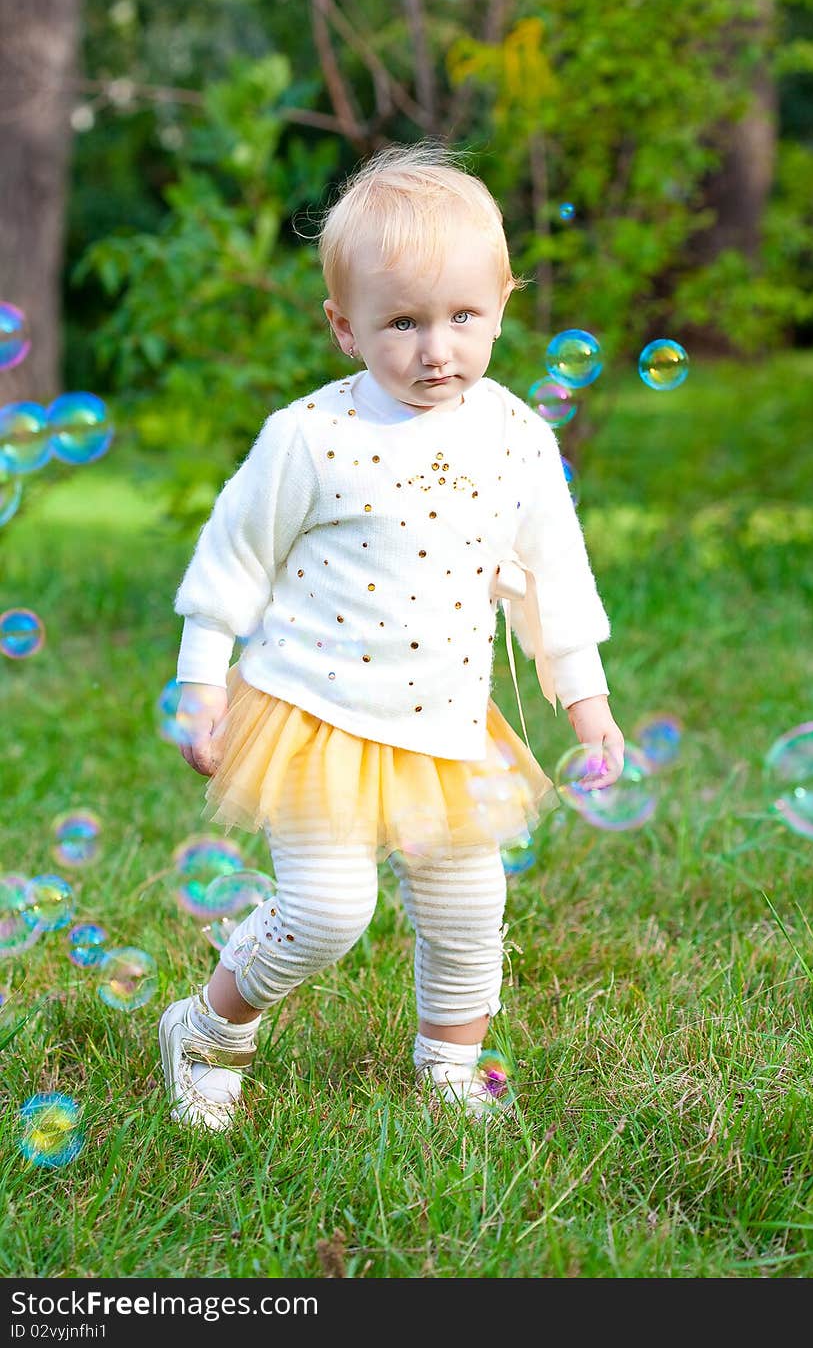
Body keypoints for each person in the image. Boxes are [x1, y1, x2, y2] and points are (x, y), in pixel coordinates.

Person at [158, 141, 625, 1132]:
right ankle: (207, 1028)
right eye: (401, 322)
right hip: (313, 711)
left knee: (467, 907)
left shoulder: (515, 440)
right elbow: (231, 561)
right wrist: (201, 681)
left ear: (501, 305)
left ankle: (449, 1068)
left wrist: (587, 702)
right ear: (343, 325)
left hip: (445, 724)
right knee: (328, 913)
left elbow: (552, 580)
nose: (435, 349)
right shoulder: (310, 438)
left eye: (463, 317)